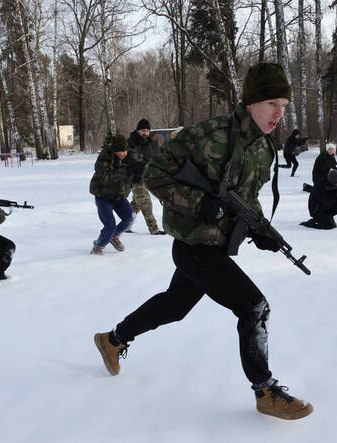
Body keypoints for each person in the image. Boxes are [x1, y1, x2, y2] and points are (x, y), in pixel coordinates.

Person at [93, 63, 313, 420]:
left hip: (216, 244)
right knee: (254, 306)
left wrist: (259, 229)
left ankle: (112, 340)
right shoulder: (207, 134)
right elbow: (154, 175)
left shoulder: (264, 150)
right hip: (193, 243)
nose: (279, 113)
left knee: (175, 306)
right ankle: (265, 391)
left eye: (284, 106)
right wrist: (199, 204)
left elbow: (247, 197)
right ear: (252, 101)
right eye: (273, 103)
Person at [89, 134, 142, 255]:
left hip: (119, 196)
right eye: (120, 151)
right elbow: (105, 179)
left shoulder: (131, 156)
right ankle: (98, 246)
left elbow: (137, 171)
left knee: (131, 217)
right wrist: (126, 172)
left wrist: (138, 176)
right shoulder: (104, 158)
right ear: (114, 150)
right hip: (103, 196)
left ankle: (114, 236)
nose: (123, 153)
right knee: (110, 226)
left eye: (125, 150)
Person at [300, 143, 337, 229]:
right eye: (330, 149)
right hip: (320, 181)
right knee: (330, 226)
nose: (331, 151)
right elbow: (327, 202)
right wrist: (336, 191)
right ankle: (313, 222)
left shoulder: (331, 157)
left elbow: (333, 167)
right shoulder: (323, 157)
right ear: (327, 150)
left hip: (328, 180)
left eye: (332, 149)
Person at [127, 119, 165, 235]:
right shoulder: (131, 142)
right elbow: (132, 161)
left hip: (147, 177)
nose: (145, 133)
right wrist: (145, 164)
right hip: (136, 178)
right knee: (146, 203)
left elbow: (154, 159)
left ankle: (125, 224)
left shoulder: (149, 143)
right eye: (143, 130)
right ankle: (154, 228)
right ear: (138, 130)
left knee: (137, 203)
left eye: (147, 131)